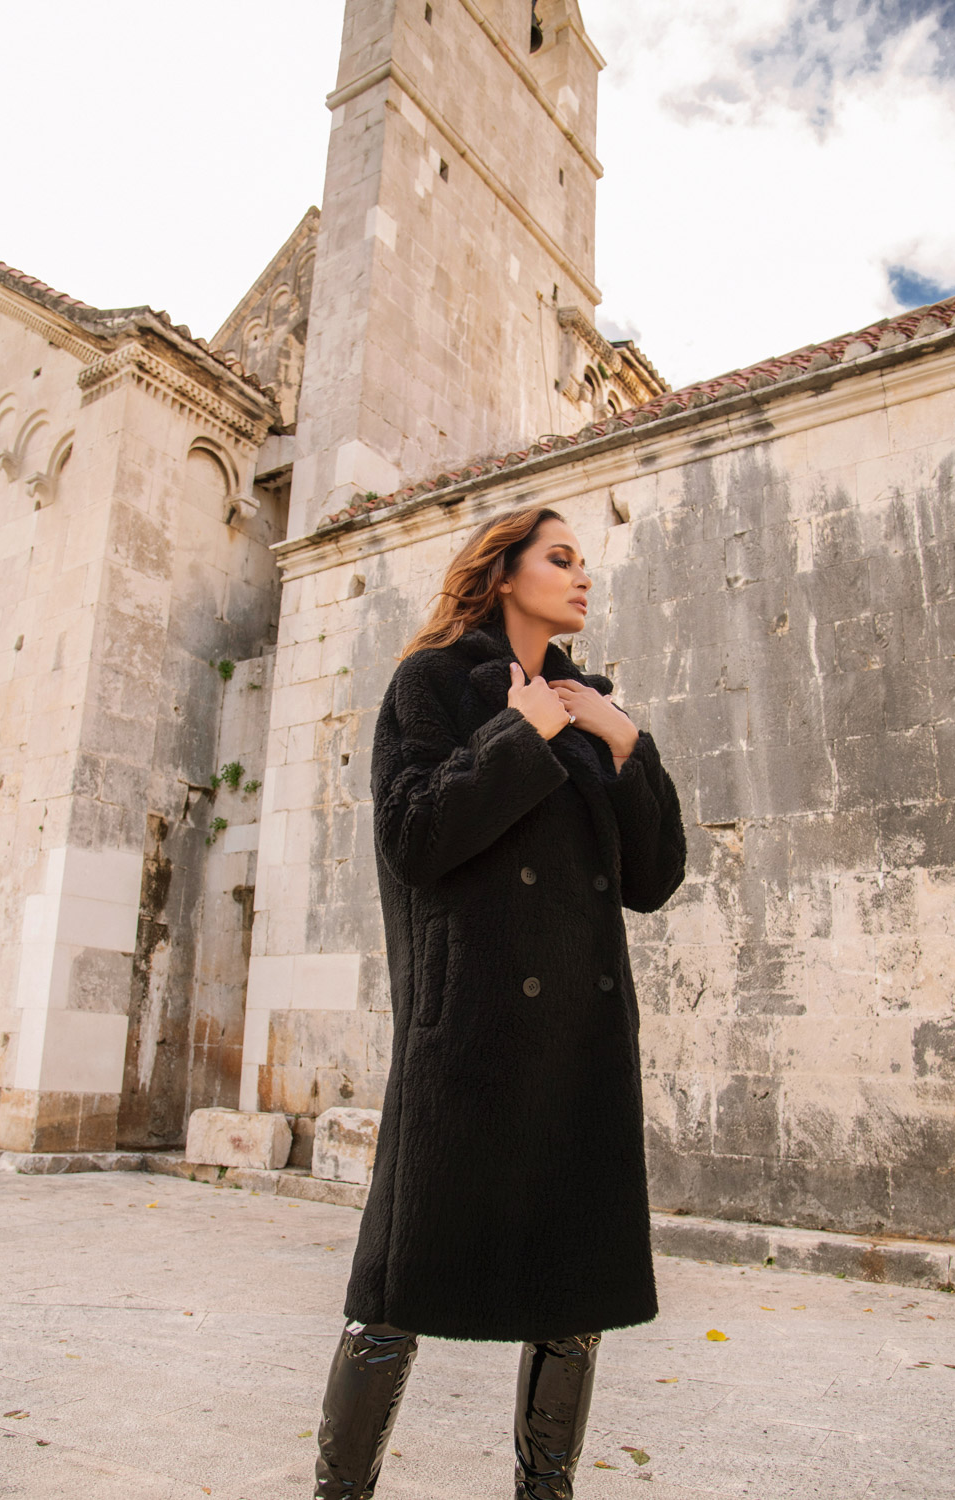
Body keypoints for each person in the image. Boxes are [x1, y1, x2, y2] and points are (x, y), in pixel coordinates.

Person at [313, 504, 687, 1499]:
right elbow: (414, 837)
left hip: (579, 1041)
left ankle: (545, 1491)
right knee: (395, 1292)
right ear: (504, 572)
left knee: (575, 1296)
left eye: (583, 561)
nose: (582, 576)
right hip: (469, 1034)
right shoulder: (430, 683)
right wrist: (523, 733)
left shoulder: (589, 708)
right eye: (560, 558)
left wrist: (628, 746)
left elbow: (652, 879)